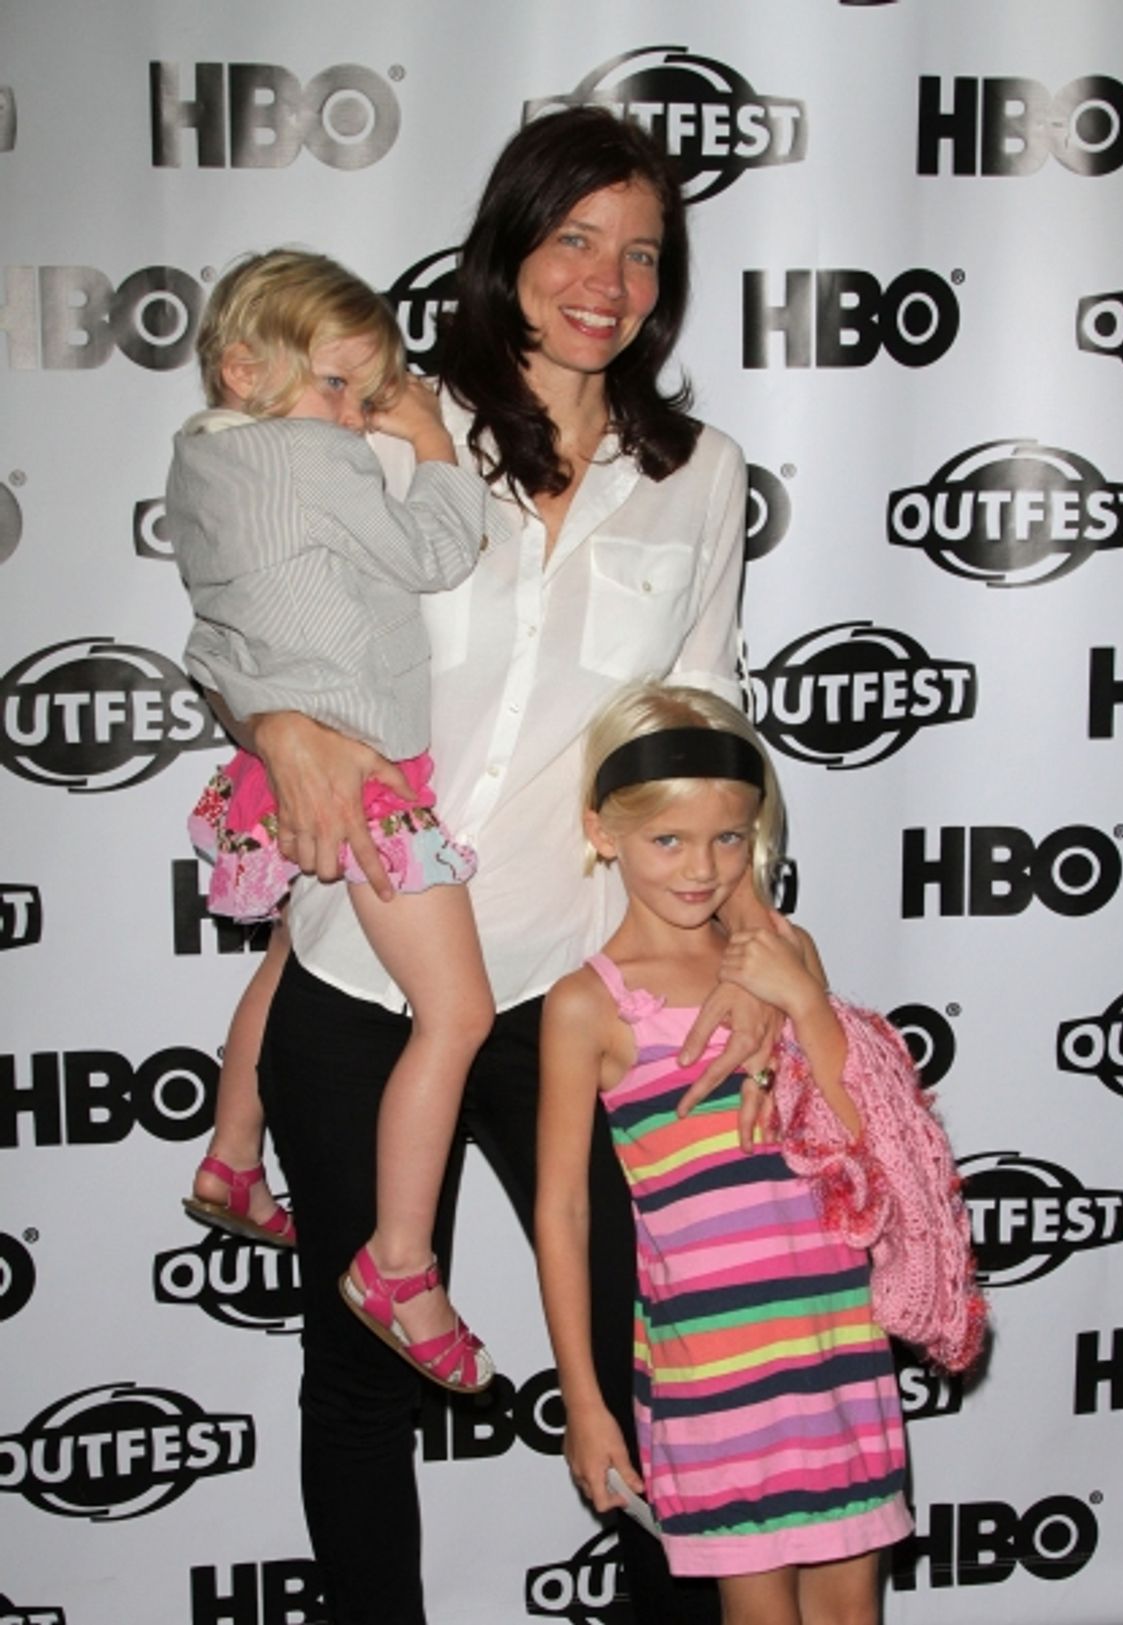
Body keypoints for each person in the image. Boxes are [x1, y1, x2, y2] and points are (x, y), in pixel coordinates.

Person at [245, 109, 784, 1624]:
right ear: (510, 247)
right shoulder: (383, 425)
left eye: (640, 252)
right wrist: (277, 720)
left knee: (642, 1352)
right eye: (573, 238)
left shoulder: (700, 473)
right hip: (366, 967)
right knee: (357, 1369)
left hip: (565, 988)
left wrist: (743, 958)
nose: (604, 279)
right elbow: (253, 609)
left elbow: (704, 731)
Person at [168, 248, 495, 1393]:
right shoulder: (312, 458)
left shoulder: (198, 473)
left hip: (280, 765)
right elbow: (436, 550)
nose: (355, 417)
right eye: (337, 387)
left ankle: (233, 1153)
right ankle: (402, 1264)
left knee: (286, 952)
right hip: (361, 773)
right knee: (456, 1012)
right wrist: (433, 447)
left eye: (367, 393)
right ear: (243, 364)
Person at [536, 683, 912, 1625]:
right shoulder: (589, 1005)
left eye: (729, 839)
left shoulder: (785, 955)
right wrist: (586, 1400)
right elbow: (563, 1212)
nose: (701, 868)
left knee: (851, 1611)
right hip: (717, 1365)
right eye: (668, 839)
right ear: (603, 830)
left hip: (836, 1337)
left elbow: (864, 1131)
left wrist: (805, 998)